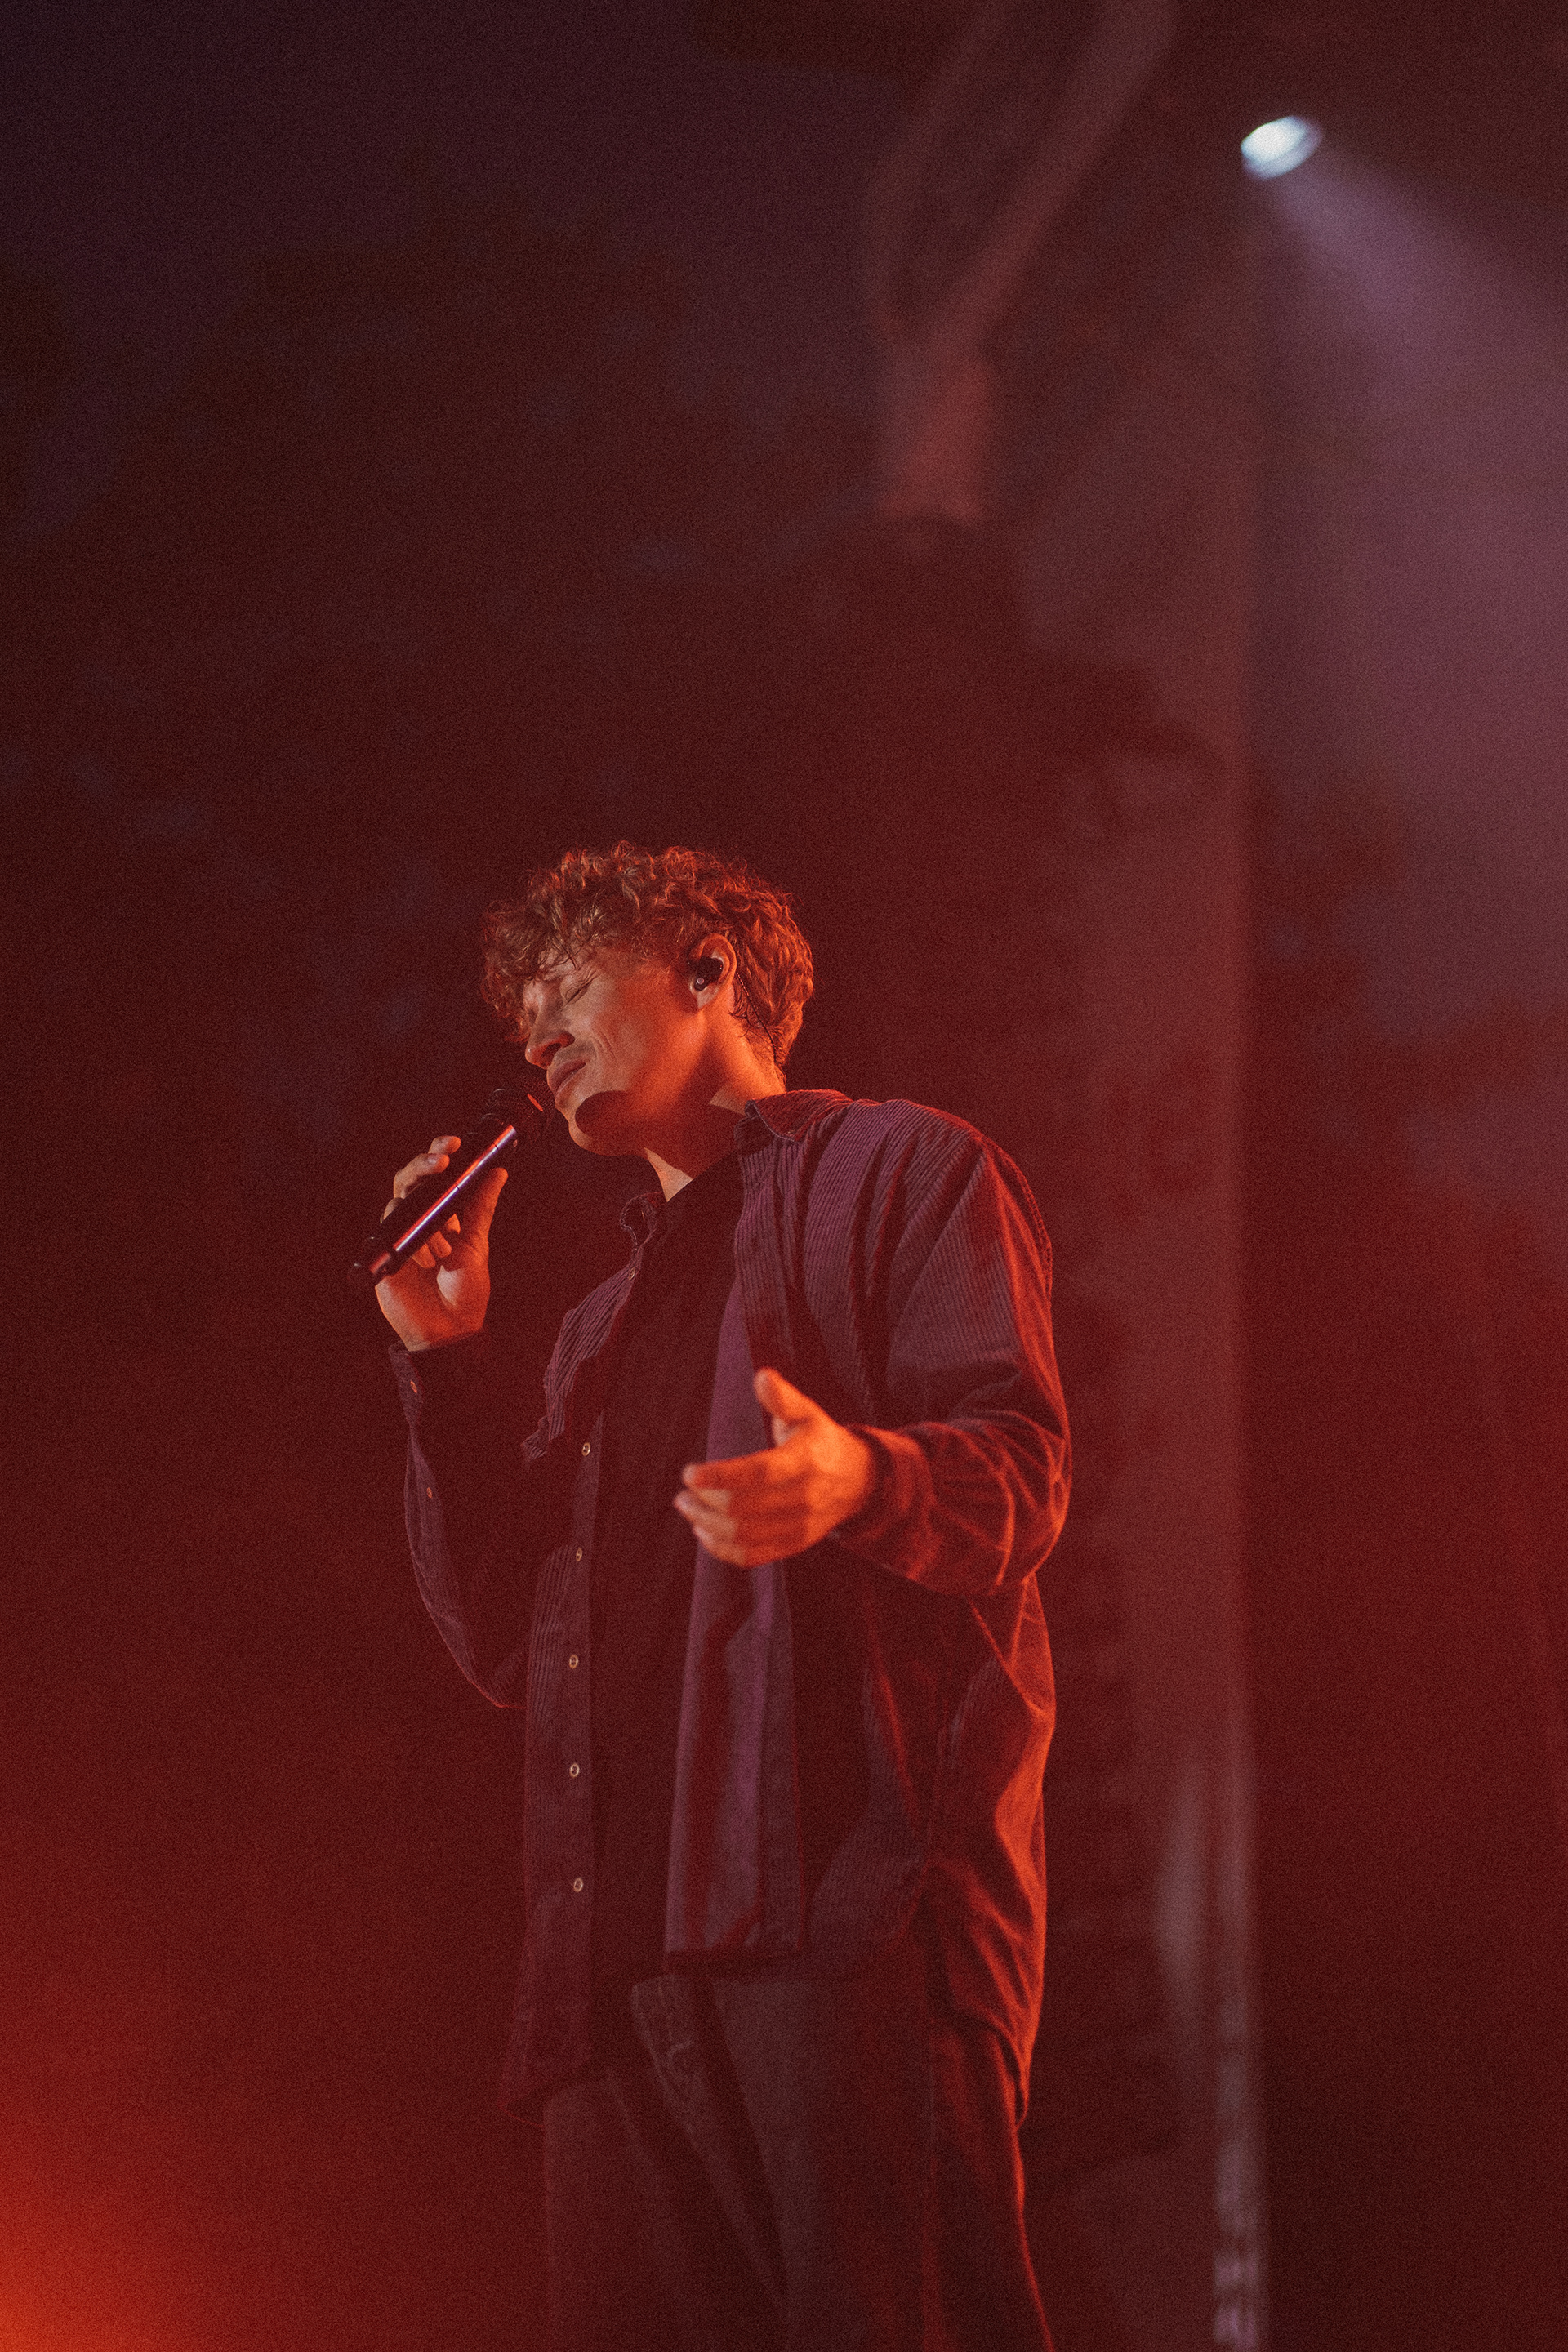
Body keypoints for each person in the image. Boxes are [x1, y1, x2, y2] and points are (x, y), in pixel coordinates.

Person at [376, 842, 1070, 2352]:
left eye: (570, 986)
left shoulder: (905, 1171)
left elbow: (1022, 1473)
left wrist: (860, 1475)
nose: (540, 1037)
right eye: (524, 1018)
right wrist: (448, 1362)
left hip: (844, 1928)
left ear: (708, 969)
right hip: (615, 1974)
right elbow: (507, 1641)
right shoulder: (598, 1332)